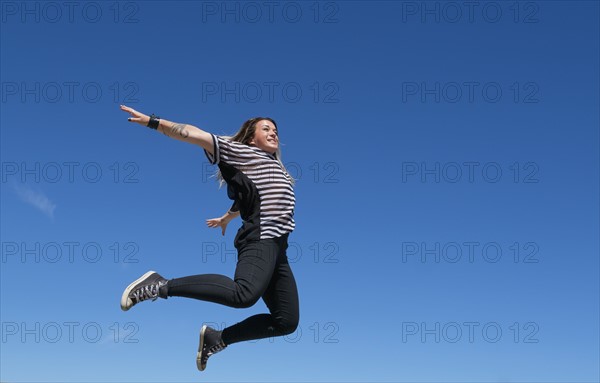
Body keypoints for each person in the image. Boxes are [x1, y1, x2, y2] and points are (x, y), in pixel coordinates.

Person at [118, 105, 299, 372]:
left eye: (275, 130)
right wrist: (153, 122)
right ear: (251, 137)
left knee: (287, 321)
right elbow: (193, 133)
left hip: (278, 248)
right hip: (261, 238)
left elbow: (249, 197)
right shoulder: (240, 151)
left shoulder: (274, 167)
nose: (273, 133)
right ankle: (160, 284)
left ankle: (218, 338)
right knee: (243, 295)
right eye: (266, 129)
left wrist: (227, 217)